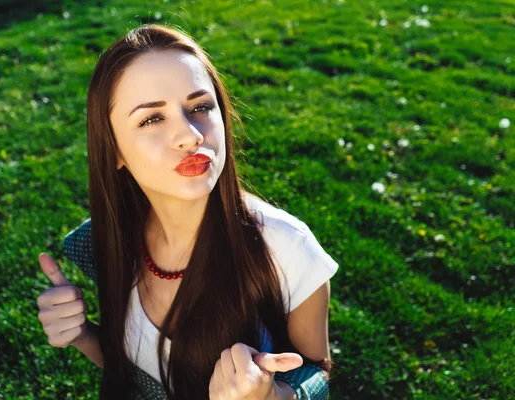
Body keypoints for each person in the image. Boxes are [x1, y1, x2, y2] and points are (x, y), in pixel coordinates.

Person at [36, 24, 339, 399]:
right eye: (152, 118)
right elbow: (133, 370)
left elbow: (318, 371)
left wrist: (273, 395)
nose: (190, 135)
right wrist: (81, 334)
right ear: (113, 149)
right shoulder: (108, 239)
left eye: (200, 107)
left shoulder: (287, 248)